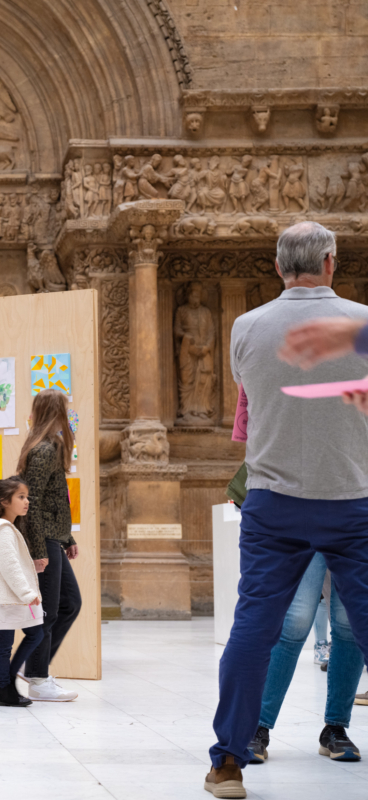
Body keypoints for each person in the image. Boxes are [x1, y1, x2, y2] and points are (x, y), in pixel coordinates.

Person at [205, 221, 368, 799]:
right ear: (330, 262)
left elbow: (251, 394)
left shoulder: (246, 327)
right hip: (353, 498)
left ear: (278, 267)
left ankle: (229, 762)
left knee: (255, 628)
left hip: (273, 501)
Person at [246, 553, 364, 764]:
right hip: (309, 525)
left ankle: (335, 727)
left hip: (352, 529)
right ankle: (258, 726)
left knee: (350, 624)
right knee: (295, 622)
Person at [15, 388, 81, 703]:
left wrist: (67, 538)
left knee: (69, 603)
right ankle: (38, 678)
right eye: (63, 412)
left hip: (54, 539)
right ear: (56, 413)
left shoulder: (48, 447)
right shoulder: (43, 450)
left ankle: (32, 666)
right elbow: (34, 504)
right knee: (48, 611)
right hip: (43, 542)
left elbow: (54, 502)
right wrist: (40, 551)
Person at [0, 476, 44, 707]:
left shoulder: (6, 529)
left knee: (27, 636)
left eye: (27, 497)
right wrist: (26, 593)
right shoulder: (2, 531)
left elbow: (10, 563)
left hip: (9, 597)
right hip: (10, 598)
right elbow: (9, 566)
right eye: (21, 497)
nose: (27, 502)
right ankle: (5, 689)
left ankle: (4, 684)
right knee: (10, 643)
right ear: (4, 501)